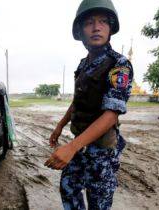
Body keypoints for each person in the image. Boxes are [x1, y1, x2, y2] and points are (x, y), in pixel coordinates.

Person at [44, 0, 133, 209]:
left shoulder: (119, 64)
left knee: (98, 202)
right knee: (68, 187)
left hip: (101, 151)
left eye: (103, 21)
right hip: (80, 146)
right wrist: (60, 125)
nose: (96, 27)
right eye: (89, 22)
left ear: (110, 29)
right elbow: (78, 100)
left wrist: (71, 147)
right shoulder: (83, 65)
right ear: (81, 31)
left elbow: (111, 114)